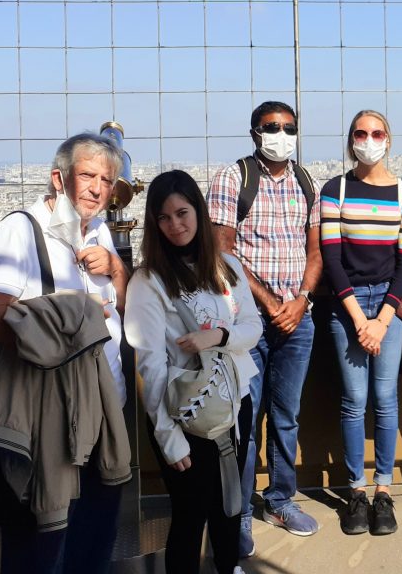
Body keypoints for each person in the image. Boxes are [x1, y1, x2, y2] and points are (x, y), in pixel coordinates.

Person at [0, 133, 130, 574]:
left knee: (92, 547)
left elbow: (123, 303)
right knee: (39, 550)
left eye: (107, 179)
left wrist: (115, 269)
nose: (98, 187)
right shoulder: (19, 231)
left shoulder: (100, 231)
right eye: (88, 175)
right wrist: (69, 315)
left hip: (103, 419)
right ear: (59, 178)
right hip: (46, 428)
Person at [126, 170, 262, 574]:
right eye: (164, 218)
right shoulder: (147, 282)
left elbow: (253, 328)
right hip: (184, 415)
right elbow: (150, 364)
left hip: (235, 403)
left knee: (229, 502)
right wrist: (168, 439)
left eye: (182, 213)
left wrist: (216, 337)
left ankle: (228, 565)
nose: (175, 225)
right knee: (189, 514)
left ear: (199, 213)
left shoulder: (228, 266)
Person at [207, 101, 323, 555]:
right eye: (272, 127)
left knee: (287, 416)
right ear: (255, 131)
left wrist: (301, 301)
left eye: (289, 127)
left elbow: (315, 253)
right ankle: (236, 515)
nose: (281, 133)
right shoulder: (234, 178)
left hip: (298, 318)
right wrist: (271, 303)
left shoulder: (305, 181)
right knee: (244, 421)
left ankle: (279, 499)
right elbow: (223, 252)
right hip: (248, 322)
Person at [319, 110, 402, 536]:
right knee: (353, 399)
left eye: (377, 133)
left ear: (389, 140)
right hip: (349, 306)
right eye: (361, 133)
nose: (369, 139)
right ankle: (355, 489)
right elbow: (331, 258)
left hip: (387, 306)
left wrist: (382, 318)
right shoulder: (335, 188)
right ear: (351, 140)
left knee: (385, 397)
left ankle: (384, 490)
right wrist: (361, 319)